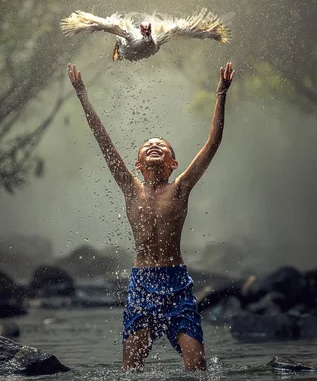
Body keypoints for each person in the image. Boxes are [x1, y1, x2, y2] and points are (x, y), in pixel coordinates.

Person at [67, 61, 235, 372]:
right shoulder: (131, 190)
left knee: (196, 367)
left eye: (162, 146)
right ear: (139, 164)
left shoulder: (181, 188)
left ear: (173, 163)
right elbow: (104, 141)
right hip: (142, 285)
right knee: (131, 369)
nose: (154, 145)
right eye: (148, 146)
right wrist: (82, 95)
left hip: (177, 284)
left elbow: (213, 143)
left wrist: (221, 94)